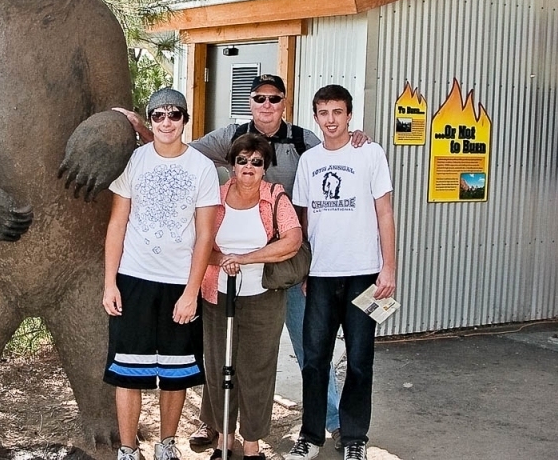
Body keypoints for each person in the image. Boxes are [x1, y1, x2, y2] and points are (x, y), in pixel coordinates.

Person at [116, 74, 367, 450]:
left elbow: (334, 150)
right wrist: (145, 127)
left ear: (284, 103)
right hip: (224, 277)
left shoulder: (304, 140)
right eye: (260, 98)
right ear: (251, 102)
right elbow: (179, 147)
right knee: (218, 355)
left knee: (309, 350)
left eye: (275, 99)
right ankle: (215, 428)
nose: (267, 105)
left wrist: (356, 139)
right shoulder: (228, 137)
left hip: (285, 268)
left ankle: (330, 420)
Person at [103, 88, 221, 460]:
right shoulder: (134, 162)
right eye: (158, 115)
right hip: (133, 279)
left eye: (175, 115)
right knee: (127, 369)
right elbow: (117, 223)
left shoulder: (201, 167)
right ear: (150, 121)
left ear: (185, 120)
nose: (167, 122)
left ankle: (166, 445)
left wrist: (192, 291)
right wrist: (110, 283)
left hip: (178, 284)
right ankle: (127, 448)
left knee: (175, 370)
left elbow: (205, 234)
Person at [286, 85, 396, 460]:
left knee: (360, 360)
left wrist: (389, 268)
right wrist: (302, 268)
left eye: (337, 112)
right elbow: (301, 219)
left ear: (349, 115)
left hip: (364, 274)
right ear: (315, 117)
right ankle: (311, 435)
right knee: (315, 359)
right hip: (319, 275)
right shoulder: (310, 161)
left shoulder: (370, 153)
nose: (330, 119)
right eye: (323, 112)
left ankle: (353, 438)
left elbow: (385, 213)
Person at [199, 133, 302, 460]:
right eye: (242, 160)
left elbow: (292, 241)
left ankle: (253, 443)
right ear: (231, 164)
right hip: (217, 293)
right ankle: (224, 440)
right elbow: (199, 243)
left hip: (263, 297)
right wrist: (222, 260)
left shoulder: (275, 198)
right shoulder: (213, 198)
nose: (248, 166)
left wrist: (246, 258)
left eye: (256, 161)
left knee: (256, 369)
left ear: (265, 167)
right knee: (219, 367)